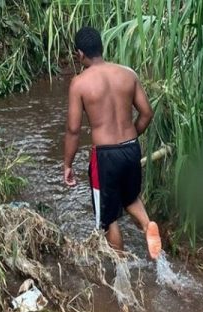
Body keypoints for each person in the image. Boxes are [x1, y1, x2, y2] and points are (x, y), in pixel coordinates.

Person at [64, 26, 161, 260]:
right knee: (130, 198)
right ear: (102, 47)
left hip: (105, 156)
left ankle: (121, 273)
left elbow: (73, 130)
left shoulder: (79, 83)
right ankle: (148, 225)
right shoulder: (128, 74)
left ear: (80, 54)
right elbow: (147, 113)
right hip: (130, 148)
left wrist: (68, 164)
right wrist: (130, 137)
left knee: (108, 219)